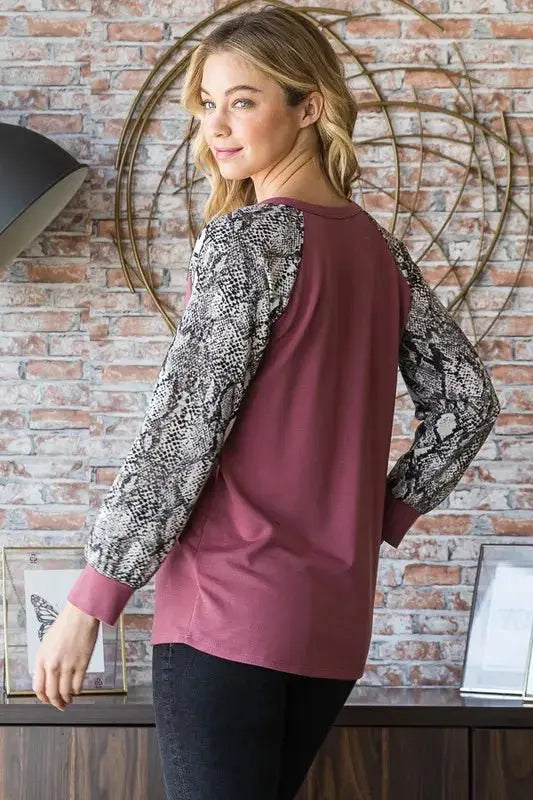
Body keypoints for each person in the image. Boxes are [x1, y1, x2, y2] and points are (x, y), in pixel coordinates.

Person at [32, 5, 501, 799]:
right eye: (207, 104)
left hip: (228, 610)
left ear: (308, 106)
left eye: (242, 101)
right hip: (331, 620)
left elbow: (182, 430)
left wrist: (89, 602)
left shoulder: (246, 242)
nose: (215, 125)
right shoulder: (378, 251)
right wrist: (375, 517)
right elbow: (468, 400)